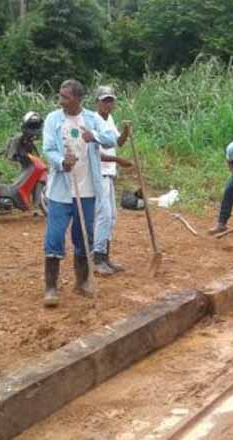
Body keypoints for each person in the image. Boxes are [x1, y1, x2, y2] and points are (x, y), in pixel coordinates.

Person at [41, 79, 118, 307]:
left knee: (84, 237)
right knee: (54, 237)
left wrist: (93, 136)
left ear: (78, 98)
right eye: (61, 96)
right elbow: (48, 149)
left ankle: (82, 282)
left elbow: (111, 138)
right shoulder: (53, 119)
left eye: (65, 97)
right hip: (61, 190)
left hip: (87, 190)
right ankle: (51, 288)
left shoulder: (93, 119)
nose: (61, 100)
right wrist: (62, 162)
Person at [92, 85, 133, 275]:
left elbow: (119, 142)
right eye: (104, 100)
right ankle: (98, 258)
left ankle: (105, 257)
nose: (108, 104)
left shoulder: (110, 120)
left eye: (110, 100)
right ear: (97, 102)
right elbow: (94, 154)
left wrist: (126, 131)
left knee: (112, 217)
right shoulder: (92, 121)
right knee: (104, 215)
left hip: (108, 173)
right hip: (98, 172)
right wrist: (118, 160)